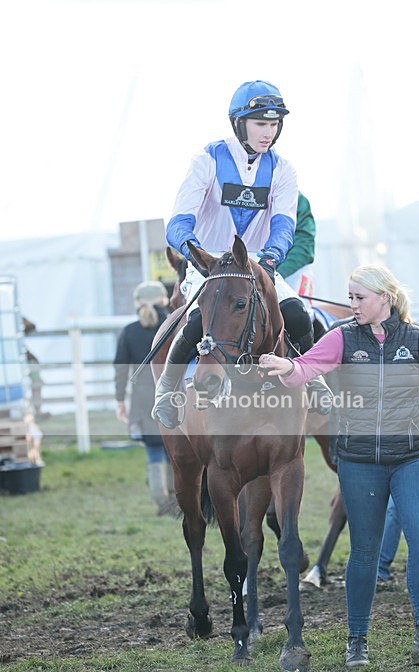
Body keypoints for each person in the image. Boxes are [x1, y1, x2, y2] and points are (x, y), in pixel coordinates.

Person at [259, 264, 419, 668]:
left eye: (360, 297)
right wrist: (286, 367)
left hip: (413, 454)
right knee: (364, 550)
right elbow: (307, 368)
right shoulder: (342, 338)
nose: (353, 304)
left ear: (385, 298)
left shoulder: (416, 339)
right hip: (359, 459)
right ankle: (357, 641)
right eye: (350, 297)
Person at [152, 80, 331, 429]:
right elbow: (178, 220)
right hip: (210, 264)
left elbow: (283, 225)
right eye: (261, 123)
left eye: (274, 124)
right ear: (239, 122)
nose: (269, 132)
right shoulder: (207, 159)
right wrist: (194, 252)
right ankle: (167, 388)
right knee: (195, 323)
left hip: (258, 262)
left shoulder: (284, 169)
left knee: (297, 313)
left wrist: (271, 257)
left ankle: (313, 378)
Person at [114, 281, 177, 517]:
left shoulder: (130, 331)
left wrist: (120, 400)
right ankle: (176, 498)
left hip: (143, 400)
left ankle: (161, 501)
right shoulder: (175, 325)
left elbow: (121, 369)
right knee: (174, 450)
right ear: (164, 300)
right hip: (174, 396)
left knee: (153, 451)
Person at [277, 191, 316, 306]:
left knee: (298, 313)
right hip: (252, 270)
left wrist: (278, 274)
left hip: (289, 274)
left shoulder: (298, 199)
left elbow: (304, 246)